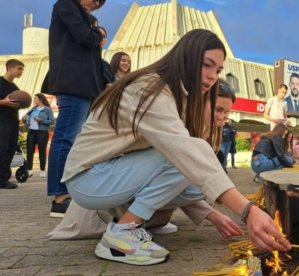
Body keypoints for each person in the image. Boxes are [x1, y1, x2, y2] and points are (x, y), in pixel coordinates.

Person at [59, 29, 290, 265]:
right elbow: (186, 154)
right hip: (88, 180)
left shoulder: (177, 95)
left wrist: (214, 214)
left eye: (218, 70)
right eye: (206, 65)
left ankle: (134, 224)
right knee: (187, 156)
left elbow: (191, 171)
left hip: (108, 176)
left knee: (195, 176)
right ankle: (121, 235)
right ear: (186, 57)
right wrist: (248, 210)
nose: (212, 77)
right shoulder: (150, 89)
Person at [48, 77, 241, 241]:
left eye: (226, 113)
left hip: (120, 192)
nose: (222, 118)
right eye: (218, 110)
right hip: (101, 205)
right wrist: (242, 210)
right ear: (200, 101)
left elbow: (179, 182)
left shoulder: (203, 130)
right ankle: (124, 229)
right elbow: (177, 167)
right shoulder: (169, 115)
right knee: (188, 161)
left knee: (198, 176)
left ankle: (144, 221)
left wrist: (214, 215)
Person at [47, 0, 106, 217]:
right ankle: (60, 196)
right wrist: (97, 33)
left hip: (84, 85)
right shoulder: (66, 4)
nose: (96, 3)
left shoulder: (82, 15)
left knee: (74, 140)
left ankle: (68, 192)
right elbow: (84, 37)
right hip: (73, 83)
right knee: (65, 139)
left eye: (100, 3)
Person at [0, 59, 25, 189]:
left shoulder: (15, 88)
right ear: (10, 68)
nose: (21, 72)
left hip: (13, 122)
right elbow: (5, 102)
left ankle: (4, 179)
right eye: (19, 69)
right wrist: (3, 102)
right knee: (2, 149)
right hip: (2, 122)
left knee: (10, 150)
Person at [22, 94, 55, 178]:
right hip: (31, 132)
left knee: (41, 152)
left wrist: (41, 120)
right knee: (29, 151)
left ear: (40, 100)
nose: (34, 100)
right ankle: (29, 170)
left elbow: (52, 121)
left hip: (42, 132)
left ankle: (42, 170)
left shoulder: (47, 109)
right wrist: (24, 120)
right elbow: (27, 119)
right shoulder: (33, 109)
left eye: (35, 99)